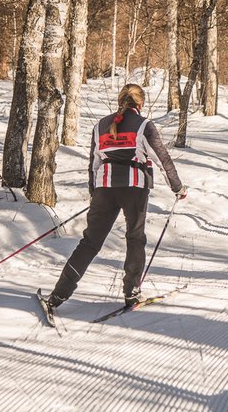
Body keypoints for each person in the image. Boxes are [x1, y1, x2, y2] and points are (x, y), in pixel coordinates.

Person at [45, 84, 187, 311]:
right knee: (135, 238)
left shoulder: (100, 126)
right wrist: (177, 187)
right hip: (134, 187)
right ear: (141, 104)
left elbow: (93, 164)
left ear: (120, 100)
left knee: (90, 243)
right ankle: (131, 293)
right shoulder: (144, 125)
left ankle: (58, 295)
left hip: (105, 187)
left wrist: (94, 193)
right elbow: (162, 158)